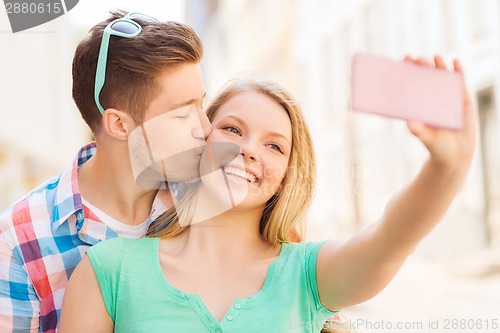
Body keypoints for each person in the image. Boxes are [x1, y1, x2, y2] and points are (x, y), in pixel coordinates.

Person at [59, 56, 477, 332]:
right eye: (232, 129)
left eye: (274, 145)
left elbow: (391, 237)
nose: (248, 151)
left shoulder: (309, 276)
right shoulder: (107, 271)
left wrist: (448, 167)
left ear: (287, 174)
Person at [0, 9, 212, 332]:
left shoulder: (206, 204)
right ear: (119, 124)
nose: (206, 127)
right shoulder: (19, 240)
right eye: (183, 115)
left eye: (202, 105)